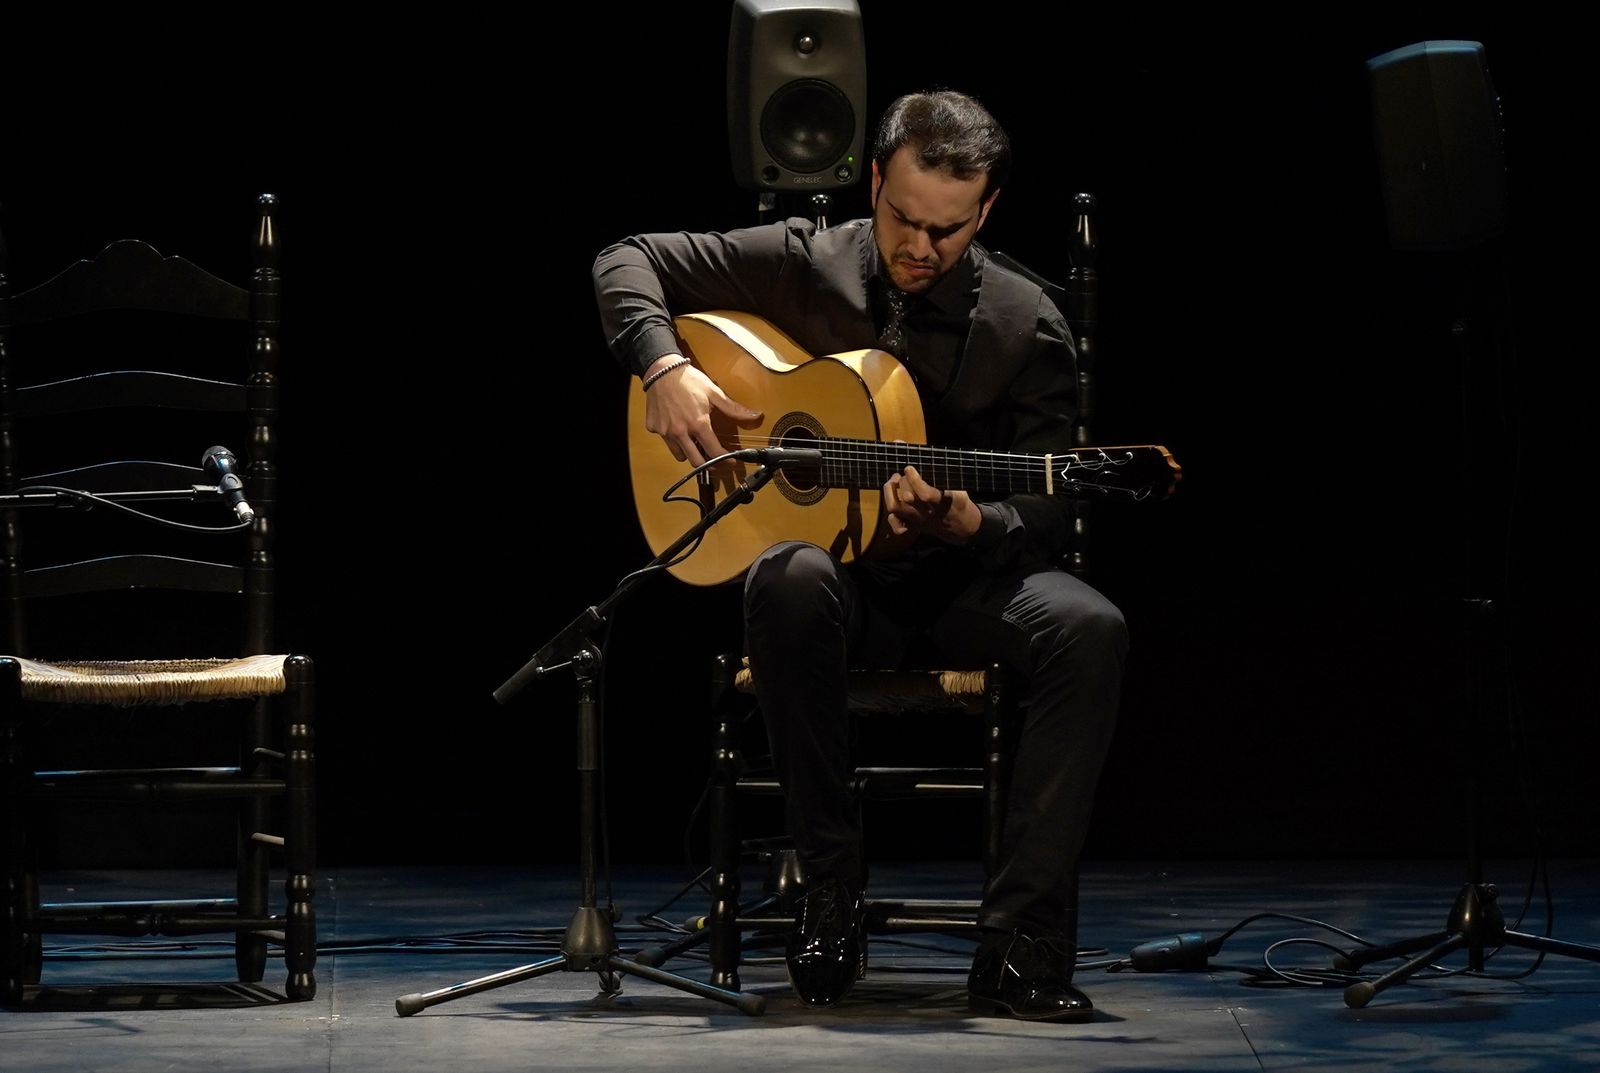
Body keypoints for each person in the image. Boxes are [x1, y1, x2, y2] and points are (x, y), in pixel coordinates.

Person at [592, 90, 1126, 1022]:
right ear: (874, 180)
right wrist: (664, 365)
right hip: (838, 590)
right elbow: (623, 258)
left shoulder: (1024, 322)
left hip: (964, 587)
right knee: (787, 574)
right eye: (904, 219)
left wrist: (977, 525)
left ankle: (1021, 945)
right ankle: (828, 891)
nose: (921, 248)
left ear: (987, 209)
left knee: (1091, 626)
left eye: (950, 231)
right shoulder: (803, 262)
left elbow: (1047, 504)